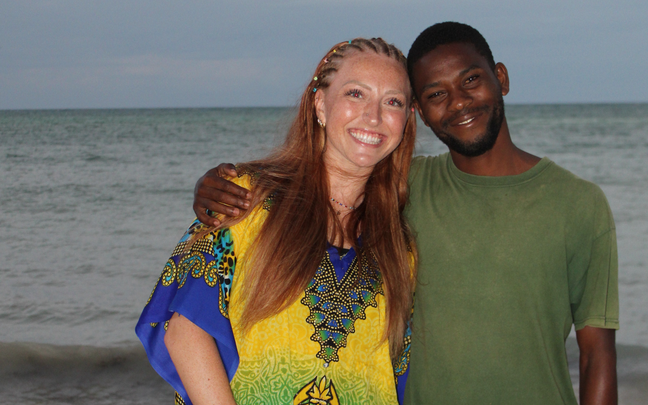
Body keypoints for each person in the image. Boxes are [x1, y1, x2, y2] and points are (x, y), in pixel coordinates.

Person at [192, 22, 620, 405]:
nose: (459, 102)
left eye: (471, 80)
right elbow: (327, 175)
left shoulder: (579, 203)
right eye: (436, 94)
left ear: (501, 78)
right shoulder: (402, 188)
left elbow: (597, 355)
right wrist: (222, 184)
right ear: (421, 113)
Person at [136, 37, 418, 405]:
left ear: (406, 120)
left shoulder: (400, 246)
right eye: (356, 93)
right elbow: (185, 331)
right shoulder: (246, 198)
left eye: (393, 101)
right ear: (320, 104)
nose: (374, 116)